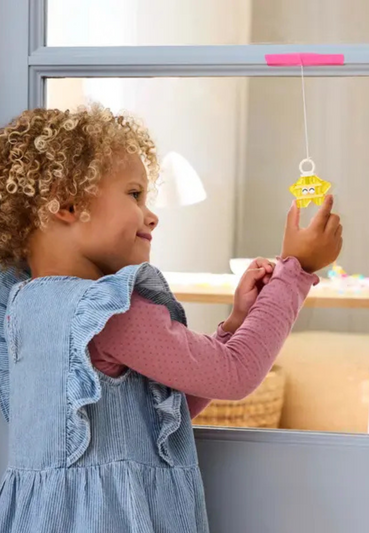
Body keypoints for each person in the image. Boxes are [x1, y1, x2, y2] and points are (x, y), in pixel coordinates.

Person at [0, 105, 343, 532]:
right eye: (134, 194)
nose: (152, 214)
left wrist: (235, 325)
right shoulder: (107, 310)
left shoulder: (22, 307)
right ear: (66, 202)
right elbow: (233, 375)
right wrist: (295, 271)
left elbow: (162, 403)